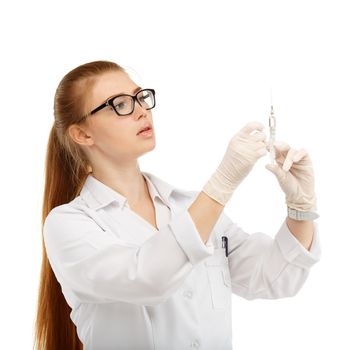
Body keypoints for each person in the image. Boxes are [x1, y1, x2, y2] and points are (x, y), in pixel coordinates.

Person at [34, 60, 321, 350]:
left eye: (140, 97)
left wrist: (301, 207)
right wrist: (222, 183)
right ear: (83, 134)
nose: (141, 110)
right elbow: (147, 279)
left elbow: (272, 277)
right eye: (120, 104)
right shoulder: (69, 225)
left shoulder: (190, 207)